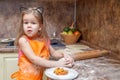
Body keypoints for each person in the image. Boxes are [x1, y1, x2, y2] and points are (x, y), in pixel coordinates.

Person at [11, 7, 74, 80]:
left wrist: (64, 55)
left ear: (40, 27)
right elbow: (34, 59)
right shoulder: (23, 40)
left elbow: (54, 53)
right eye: (26, 23)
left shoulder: (44, 40)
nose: (29, 25)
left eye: (33, 23)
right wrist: (57, 64)